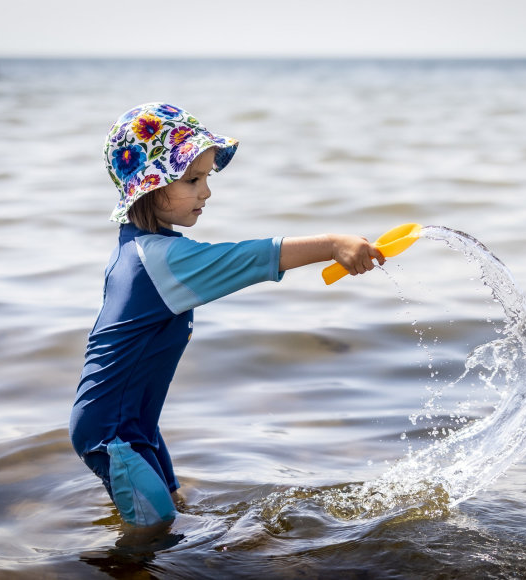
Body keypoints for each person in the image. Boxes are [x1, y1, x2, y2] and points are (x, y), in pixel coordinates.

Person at [69, 102, 384, 527]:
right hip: (113, 432)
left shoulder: (134, 246)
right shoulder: (159, 259)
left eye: (207, 178)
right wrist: (331, 244)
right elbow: (251, 258)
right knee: (153, 535)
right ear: (149, 187)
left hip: (134, 421)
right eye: (192, 179)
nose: (206, 192)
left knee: (176, 507)